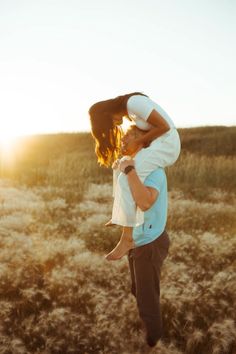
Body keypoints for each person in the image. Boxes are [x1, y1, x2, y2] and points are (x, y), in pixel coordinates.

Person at [89, 92, 180, 260]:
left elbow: (164, 127)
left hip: (166, 145)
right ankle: (119, 215)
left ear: (106, 115)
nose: (115, 127)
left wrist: (138, 142)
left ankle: (127, 238)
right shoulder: (132, 111)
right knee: (120, 168)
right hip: (159, 145)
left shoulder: (134, 103)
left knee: (127, 176)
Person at [115, 125, 170, 349]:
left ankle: (152, 342)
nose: (124, 137)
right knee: (137, 289)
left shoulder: (154, 171)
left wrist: (128, 171)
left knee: (147, 300)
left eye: (131, 135)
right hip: (137, 240)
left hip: (150, 242)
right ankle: (148, 325)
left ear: (145, 142)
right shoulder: (134, 167)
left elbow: (146, 201)